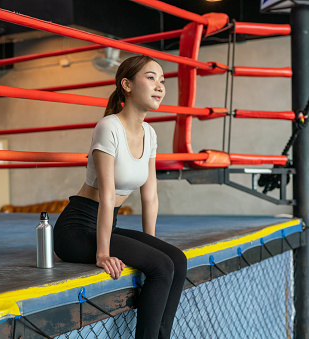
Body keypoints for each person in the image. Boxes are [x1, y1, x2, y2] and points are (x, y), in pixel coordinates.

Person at [53, 55, 187, 339]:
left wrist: (153, 244)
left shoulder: (149, 134)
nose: (160, 86)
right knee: (161, 267)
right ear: (126, 85)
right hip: (77, 230)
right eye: (151, 78)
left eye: (162, 80)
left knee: (175, 258)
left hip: (105, 223)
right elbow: (107, 194)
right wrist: (103, 253)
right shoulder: (109, 127)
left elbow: (150, 196)